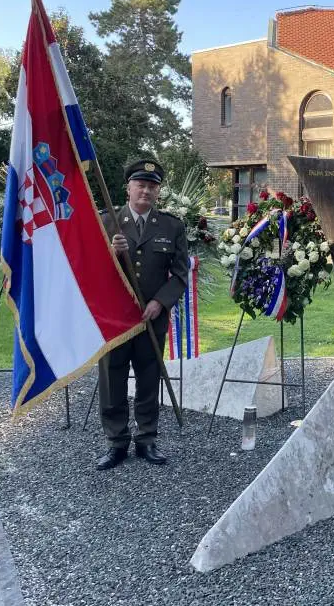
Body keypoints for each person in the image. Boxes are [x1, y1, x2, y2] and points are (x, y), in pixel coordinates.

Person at [95, 158, 189, 470]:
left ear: (158, 191)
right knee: (113, 378)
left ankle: (147, 438)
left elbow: (179, 274)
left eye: (152, 186)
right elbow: (88, 272)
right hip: (114, 320)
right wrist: (111, 251)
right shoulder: (106, 221)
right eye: (140, 185)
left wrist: (160, 302)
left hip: (151, 317)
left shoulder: (172, 226)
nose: (146, 191)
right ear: (128, 188)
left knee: (149, 378)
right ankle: (116, 441)